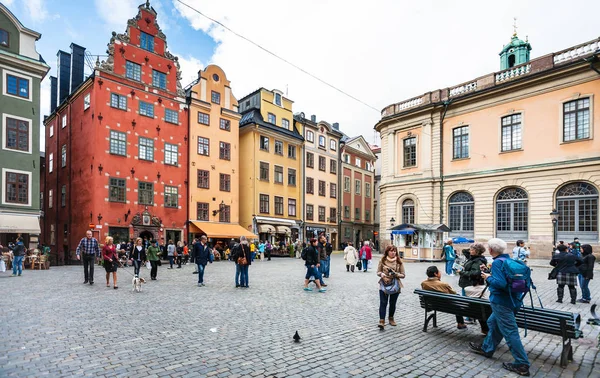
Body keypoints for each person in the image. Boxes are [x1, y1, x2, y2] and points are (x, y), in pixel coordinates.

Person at [469, 238, 530, 377]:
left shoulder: (497, 262)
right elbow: (505, 277)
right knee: (492, 322)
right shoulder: (508, 260)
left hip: (501, 302)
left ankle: (522, 363)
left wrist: (487, 277)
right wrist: (489, 271)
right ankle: (487, 348)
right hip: (514, 300)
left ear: (490, 250)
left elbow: (500, 283)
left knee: (510, 332)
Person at [458, 242, 490, 334]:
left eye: (472, 250)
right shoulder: (473, 258)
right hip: (467, 284)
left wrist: (462, 272)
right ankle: (472, 319)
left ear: (476, 251)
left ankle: (475, 321)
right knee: (471, 304)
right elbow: (464, 251)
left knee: (473, 305)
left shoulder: (478, 261)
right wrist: (471, 248)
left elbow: (474, 274)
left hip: (471, 285)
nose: (470, 251)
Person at [421, 266, 466, 330]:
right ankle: (460, 323)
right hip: (447, 306)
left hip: (432, 305)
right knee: (458, 304)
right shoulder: (443, 285)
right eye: (439, 271)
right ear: (435, 274)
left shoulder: (423, 283)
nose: (440, 273)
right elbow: (454, 294)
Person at [376, 245, 405, 329]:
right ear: (387, 252)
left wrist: (395, 274)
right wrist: (381, 274)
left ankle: (391, 318)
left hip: (395, 285)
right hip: (384, 284)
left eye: (394, 251)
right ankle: (381, 321)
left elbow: (403, 275)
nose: (393, 253)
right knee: (383, 302)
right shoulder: (382, 260)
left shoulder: (399, 262)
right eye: (391, 251)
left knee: (392, 303)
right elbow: (378, 272)